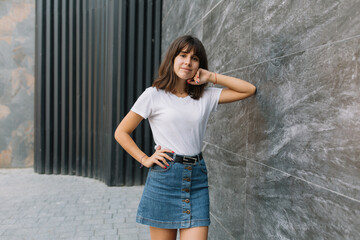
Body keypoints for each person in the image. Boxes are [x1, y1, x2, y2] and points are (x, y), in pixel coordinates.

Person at [114, 35, 256, 240]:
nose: (188, 62)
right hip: (164, 178)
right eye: (182, 55)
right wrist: (145, 159)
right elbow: (121, 132)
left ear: (200, 64)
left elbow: (248, 89)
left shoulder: (205, 96)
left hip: (196, 178)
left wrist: (211, 77)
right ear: (172, 58)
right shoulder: (153, 95)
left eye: (194, 58)